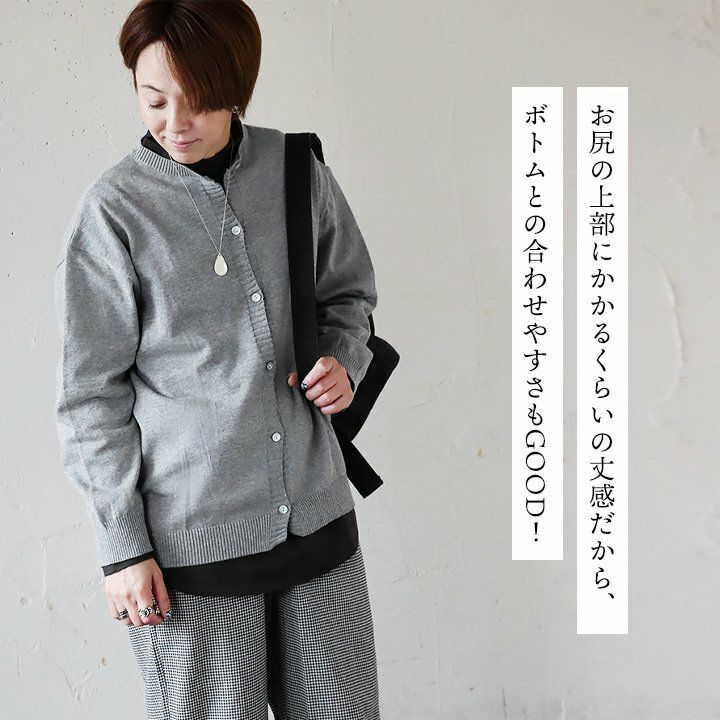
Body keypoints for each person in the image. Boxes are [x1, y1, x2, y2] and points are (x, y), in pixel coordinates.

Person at [53, 1, 382, 717]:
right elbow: (90, 397)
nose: (175, 123)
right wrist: (123, 548)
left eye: (199, 102)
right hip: (190, 552)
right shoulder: (114, 211)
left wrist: (343, 361)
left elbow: (349, 294)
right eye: (154, 99)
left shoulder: (295, 170)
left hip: (318, 524)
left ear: (238, 89)